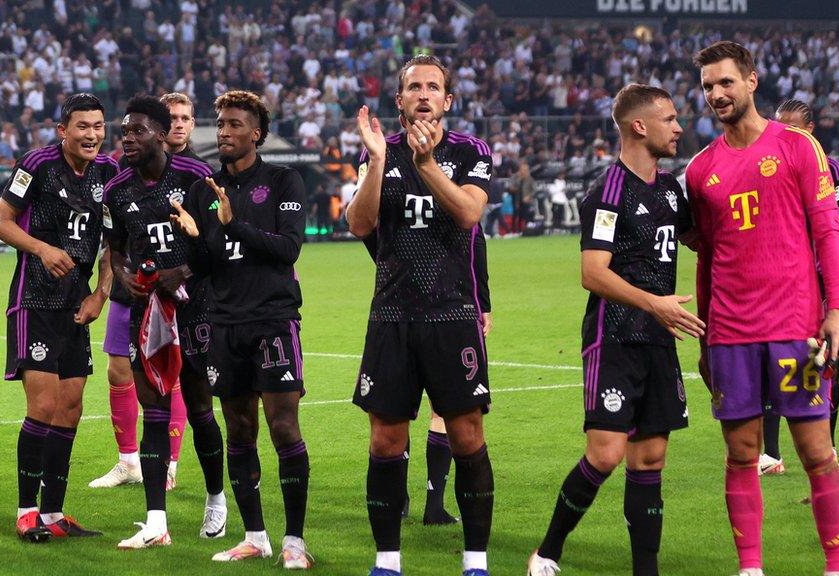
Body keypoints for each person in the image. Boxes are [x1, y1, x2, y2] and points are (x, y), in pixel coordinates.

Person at [687, 42, 839, 576]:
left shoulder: (799, 148)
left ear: (752, 81)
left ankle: (835, 566)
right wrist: (708, 332)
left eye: (726, 82)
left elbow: (828, 232)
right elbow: (707, 258)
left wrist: (838, 311)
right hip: (731, 332)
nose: (716, 94)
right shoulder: (700, 170)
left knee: (816, 452)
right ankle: (751, 569)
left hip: (794, 327)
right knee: (741, 453)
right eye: (708, 85)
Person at [527, 84, 698, 576]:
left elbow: (699, 242)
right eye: (669, 118)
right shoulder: (606, 191)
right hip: (616, 335)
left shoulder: (670, 190)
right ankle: (548, 553)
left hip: (660, 341)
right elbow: (593, 273)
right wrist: (654, 304)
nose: (678, 127)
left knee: (650, 462)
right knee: (605, 455)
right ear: (639, 126)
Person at [346, 55, 494, 576]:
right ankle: (388, 561)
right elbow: (360, 225)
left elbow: (470, 213)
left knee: (467, 436)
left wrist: (426, 164)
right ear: (400, 99)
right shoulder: (378, 155)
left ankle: (475, 561)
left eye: (434, 87)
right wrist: (380, 160)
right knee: (386, 439)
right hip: (390, 316)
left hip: (452, 315)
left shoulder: (468, 151)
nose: (425, 94)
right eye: (415, 87)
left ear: (448, 100)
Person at [170, 90, 312, 568]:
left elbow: (288, 248)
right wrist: (193, 240)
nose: (225, 132)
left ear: (256, 132)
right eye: (221, 123)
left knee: (284, 428)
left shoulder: (282, 181)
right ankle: (256, 536)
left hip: (272, 320)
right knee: (240, 431)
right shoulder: (202, 190)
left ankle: (295, 542)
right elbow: (206, 266)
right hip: (224, 325)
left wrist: (232, 225)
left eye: (234, 124)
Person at [0, 93, 118, 542]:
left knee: (70, 409)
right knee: (42, 407)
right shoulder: (37, 165)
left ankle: (54, 514)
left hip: (76, 305)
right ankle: (26, 512)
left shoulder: (109, 173)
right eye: (82, 126)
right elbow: (0, 221)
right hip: (34, 301)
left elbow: (113, 245)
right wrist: (42, 249)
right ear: (63, 130)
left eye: (99, 126)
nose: (92, 135)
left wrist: (100, 295)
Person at [102, 94, 224, 549]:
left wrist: (183, 271)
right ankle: (156, 522)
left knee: (199, 411)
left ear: (160, 131)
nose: (127, 139)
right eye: (124, 132)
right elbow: (114, 246)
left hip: (196, 312)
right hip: (146, 314)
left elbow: (218, 243)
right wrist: (121, 273)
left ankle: (215, 498)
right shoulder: (117, 190)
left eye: (136, 131)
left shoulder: (195, 176)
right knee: (154, 411)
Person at [759, 98, 839, 476]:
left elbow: (834, 227)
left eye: (794, 128)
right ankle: (770, 454)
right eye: (781, 127)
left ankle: (826, 445)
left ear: (810, 130)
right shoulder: (770, 165)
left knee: (827, 362)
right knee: (769, 361)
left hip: (817, 283)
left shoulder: (831, 169)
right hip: (780, 282)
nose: (785, 135)